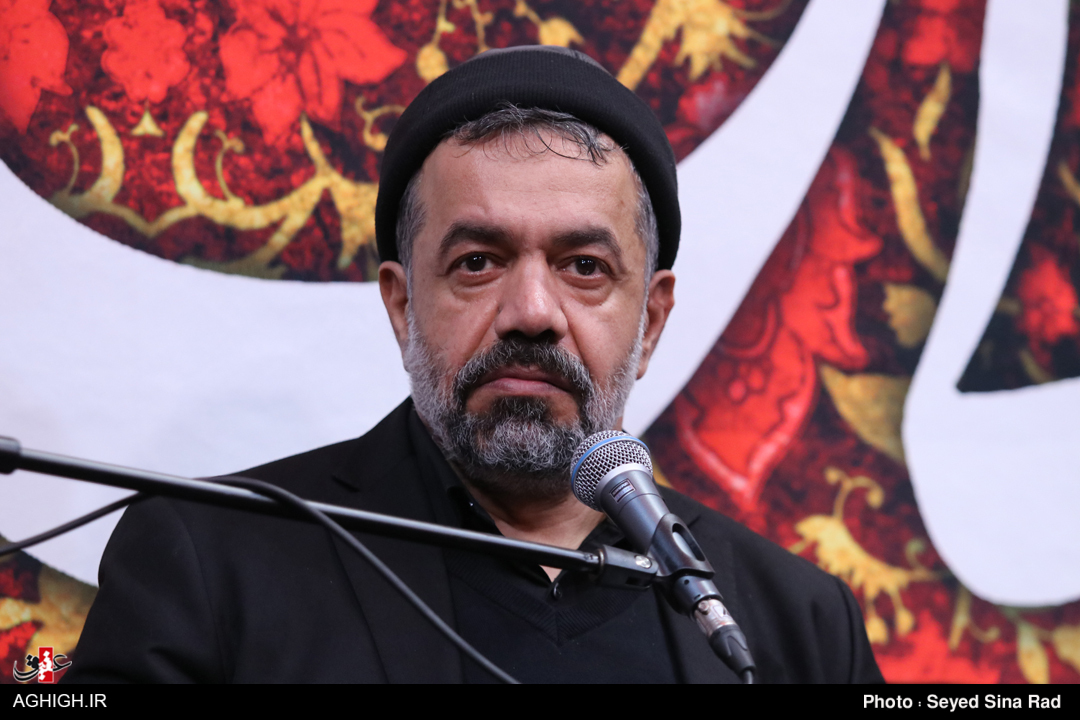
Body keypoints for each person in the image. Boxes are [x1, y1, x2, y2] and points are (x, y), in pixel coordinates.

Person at [64, 46, 884, 684]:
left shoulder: (798, 623)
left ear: (652, 322)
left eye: (584, 268)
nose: (531, 311)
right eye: (478, 263)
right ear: (401, 304)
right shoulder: (212, 560)